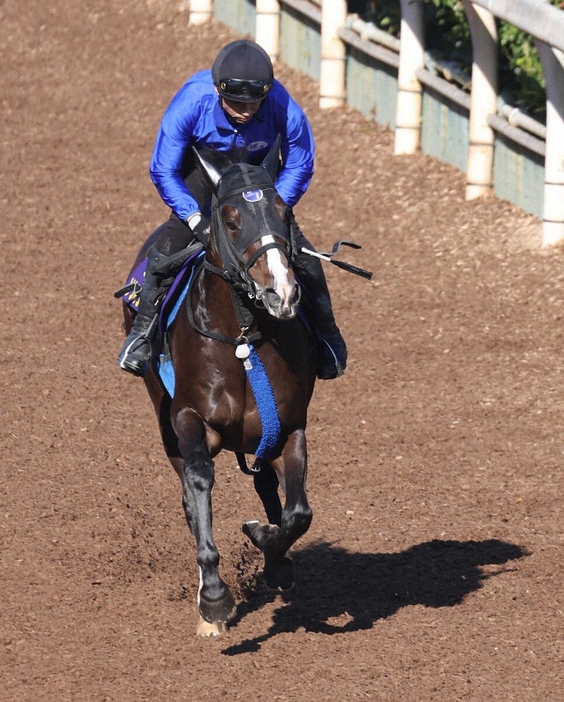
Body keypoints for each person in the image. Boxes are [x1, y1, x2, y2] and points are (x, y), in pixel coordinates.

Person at [118, 39, 347, 380]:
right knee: (169, 248)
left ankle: (328, 336)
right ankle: (142, 335)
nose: (246, 110)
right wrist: (195, 218)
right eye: (236, 102)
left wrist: (274, 208)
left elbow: (300, 163)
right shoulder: (191, 103)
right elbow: (163, 169)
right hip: (202, 178)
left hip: (259, 181)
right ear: (216, 90)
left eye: (255, 102)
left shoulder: (285, 108)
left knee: (304, 255)